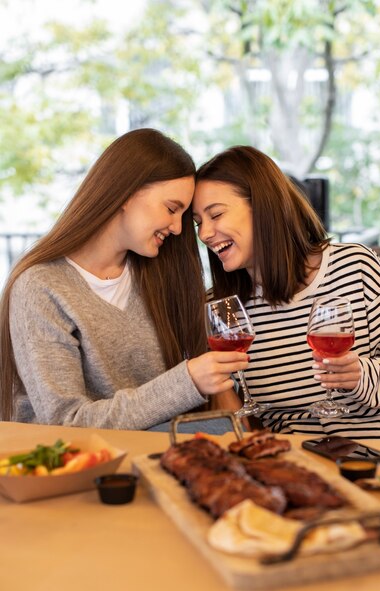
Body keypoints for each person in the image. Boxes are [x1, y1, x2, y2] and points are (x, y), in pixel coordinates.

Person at [0, 129, 249, 430]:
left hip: (158, 458)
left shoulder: (158, 274)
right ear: (127, 193)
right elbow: (67, 422)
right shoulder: (41, 287)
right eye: (171, 209)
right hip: (78, 468)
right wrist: (187, 381)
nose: (177, 229)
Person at [192, 145, 380, 441]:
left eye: (216, 214)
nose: (204, 233)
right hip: (294, 465)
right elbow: (238, 416)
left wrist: (361, 374)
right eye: (198, 223)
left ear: (263, 206)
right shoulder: (224, 310)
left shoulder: (355, 266)